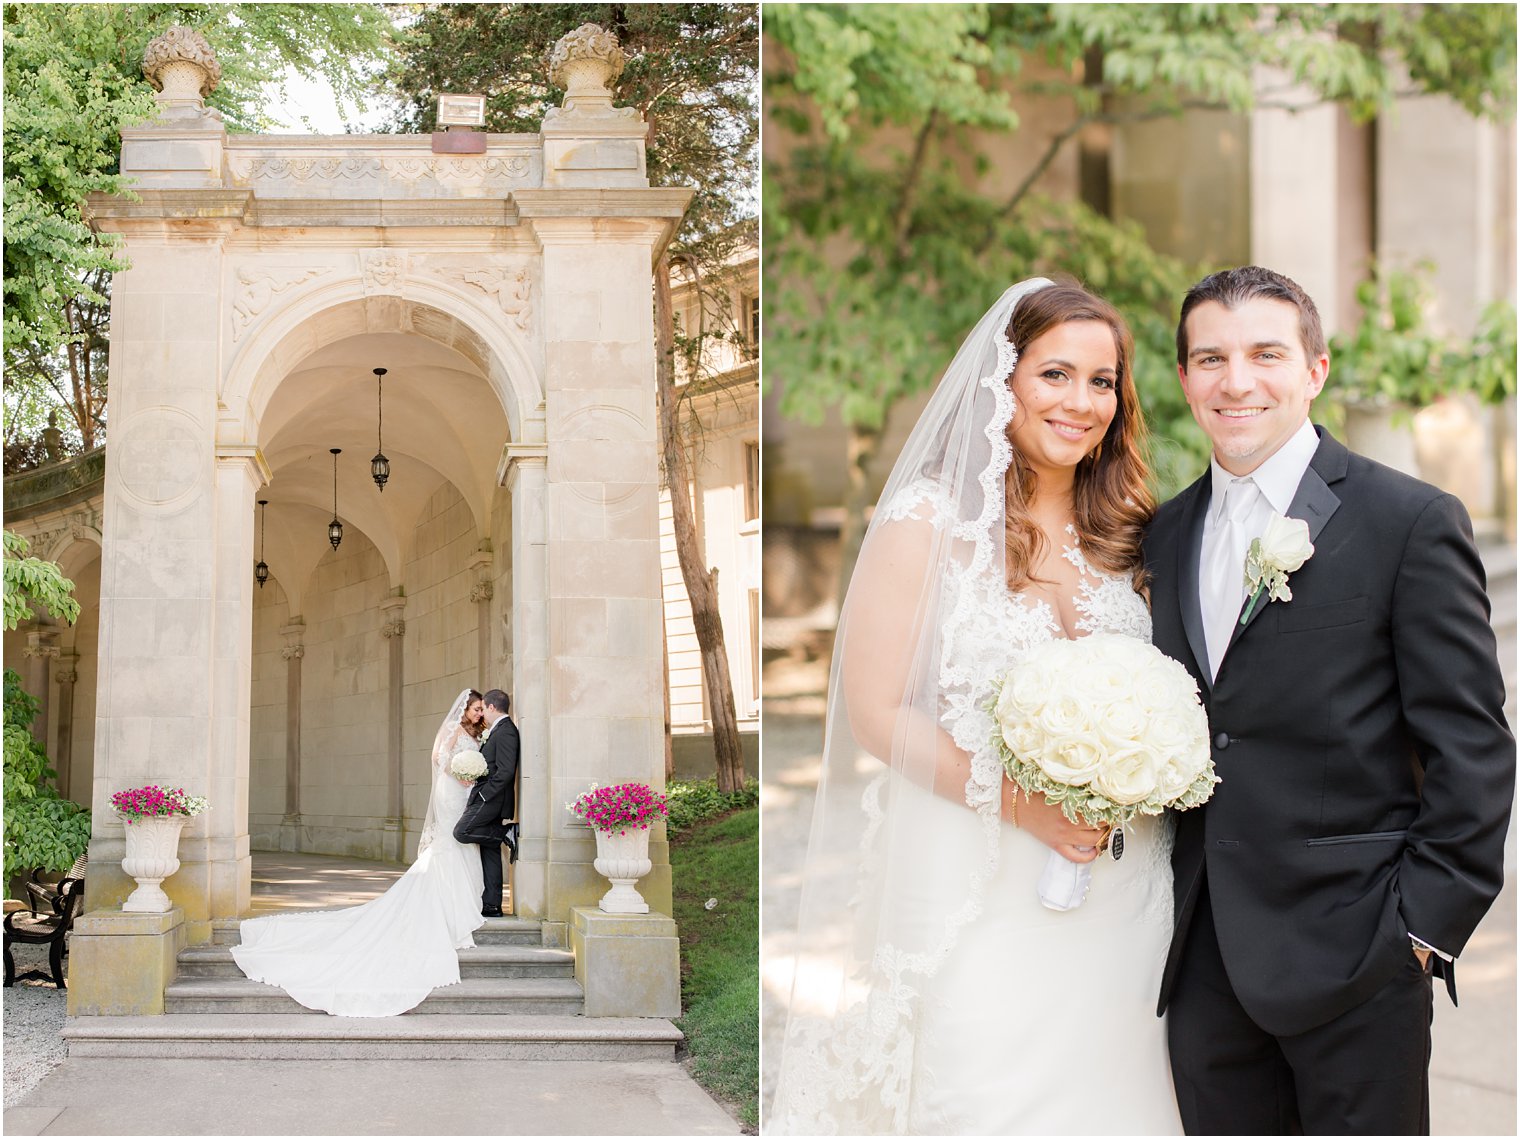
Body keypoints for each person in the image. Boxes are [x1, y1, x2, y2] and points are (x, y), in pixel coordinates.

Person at [770, 279, 1183, 1134]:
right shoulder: (928, 521)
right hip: (981, 876)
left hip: (1126, 888)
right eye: (1056, 374)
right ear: (1005, 378)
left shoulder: (1130, 528)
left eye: (1102, 381)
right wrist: (1022, 804)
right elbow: (876, 715)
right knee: (986, 1089)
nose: (1081, 402)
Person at [1144, 266, 1514, 1135]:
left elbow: (1474, 748)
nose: (1237, 381)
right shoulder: (1163, 531)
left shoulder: (1410, 520)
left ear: (1315, 369)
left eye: (1266, 353)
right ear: (1186, 377)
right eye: (1211, 357)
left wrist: (1418, 933)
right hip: (1204, 964)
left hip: (1360, 959)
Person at [229, 688, 489, 1016]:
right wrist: (461, 775)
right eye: (476, 709)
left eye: (482, 710)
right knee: (448, 843)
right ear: (465, 708)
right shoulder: (453, 729)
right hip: (451, 790)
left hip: (462, 792)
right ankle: (450, 902)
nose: (479, 714)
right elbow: (438, 757)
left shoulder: (476, 732)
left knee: (459, 843)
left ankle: (462, 898)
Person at [453, 688, 519, 917]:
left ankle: (506, 833)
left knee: (462, 832)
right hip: (487, 797)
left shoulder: (506, 731)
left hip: (490, 799)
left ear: (491, 707)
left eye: (484, 709)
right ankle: (492, 905)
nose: (482, 714)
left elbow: (506, 771)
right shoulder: (498, 730)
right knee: (489, 850)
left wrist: (483, 794)